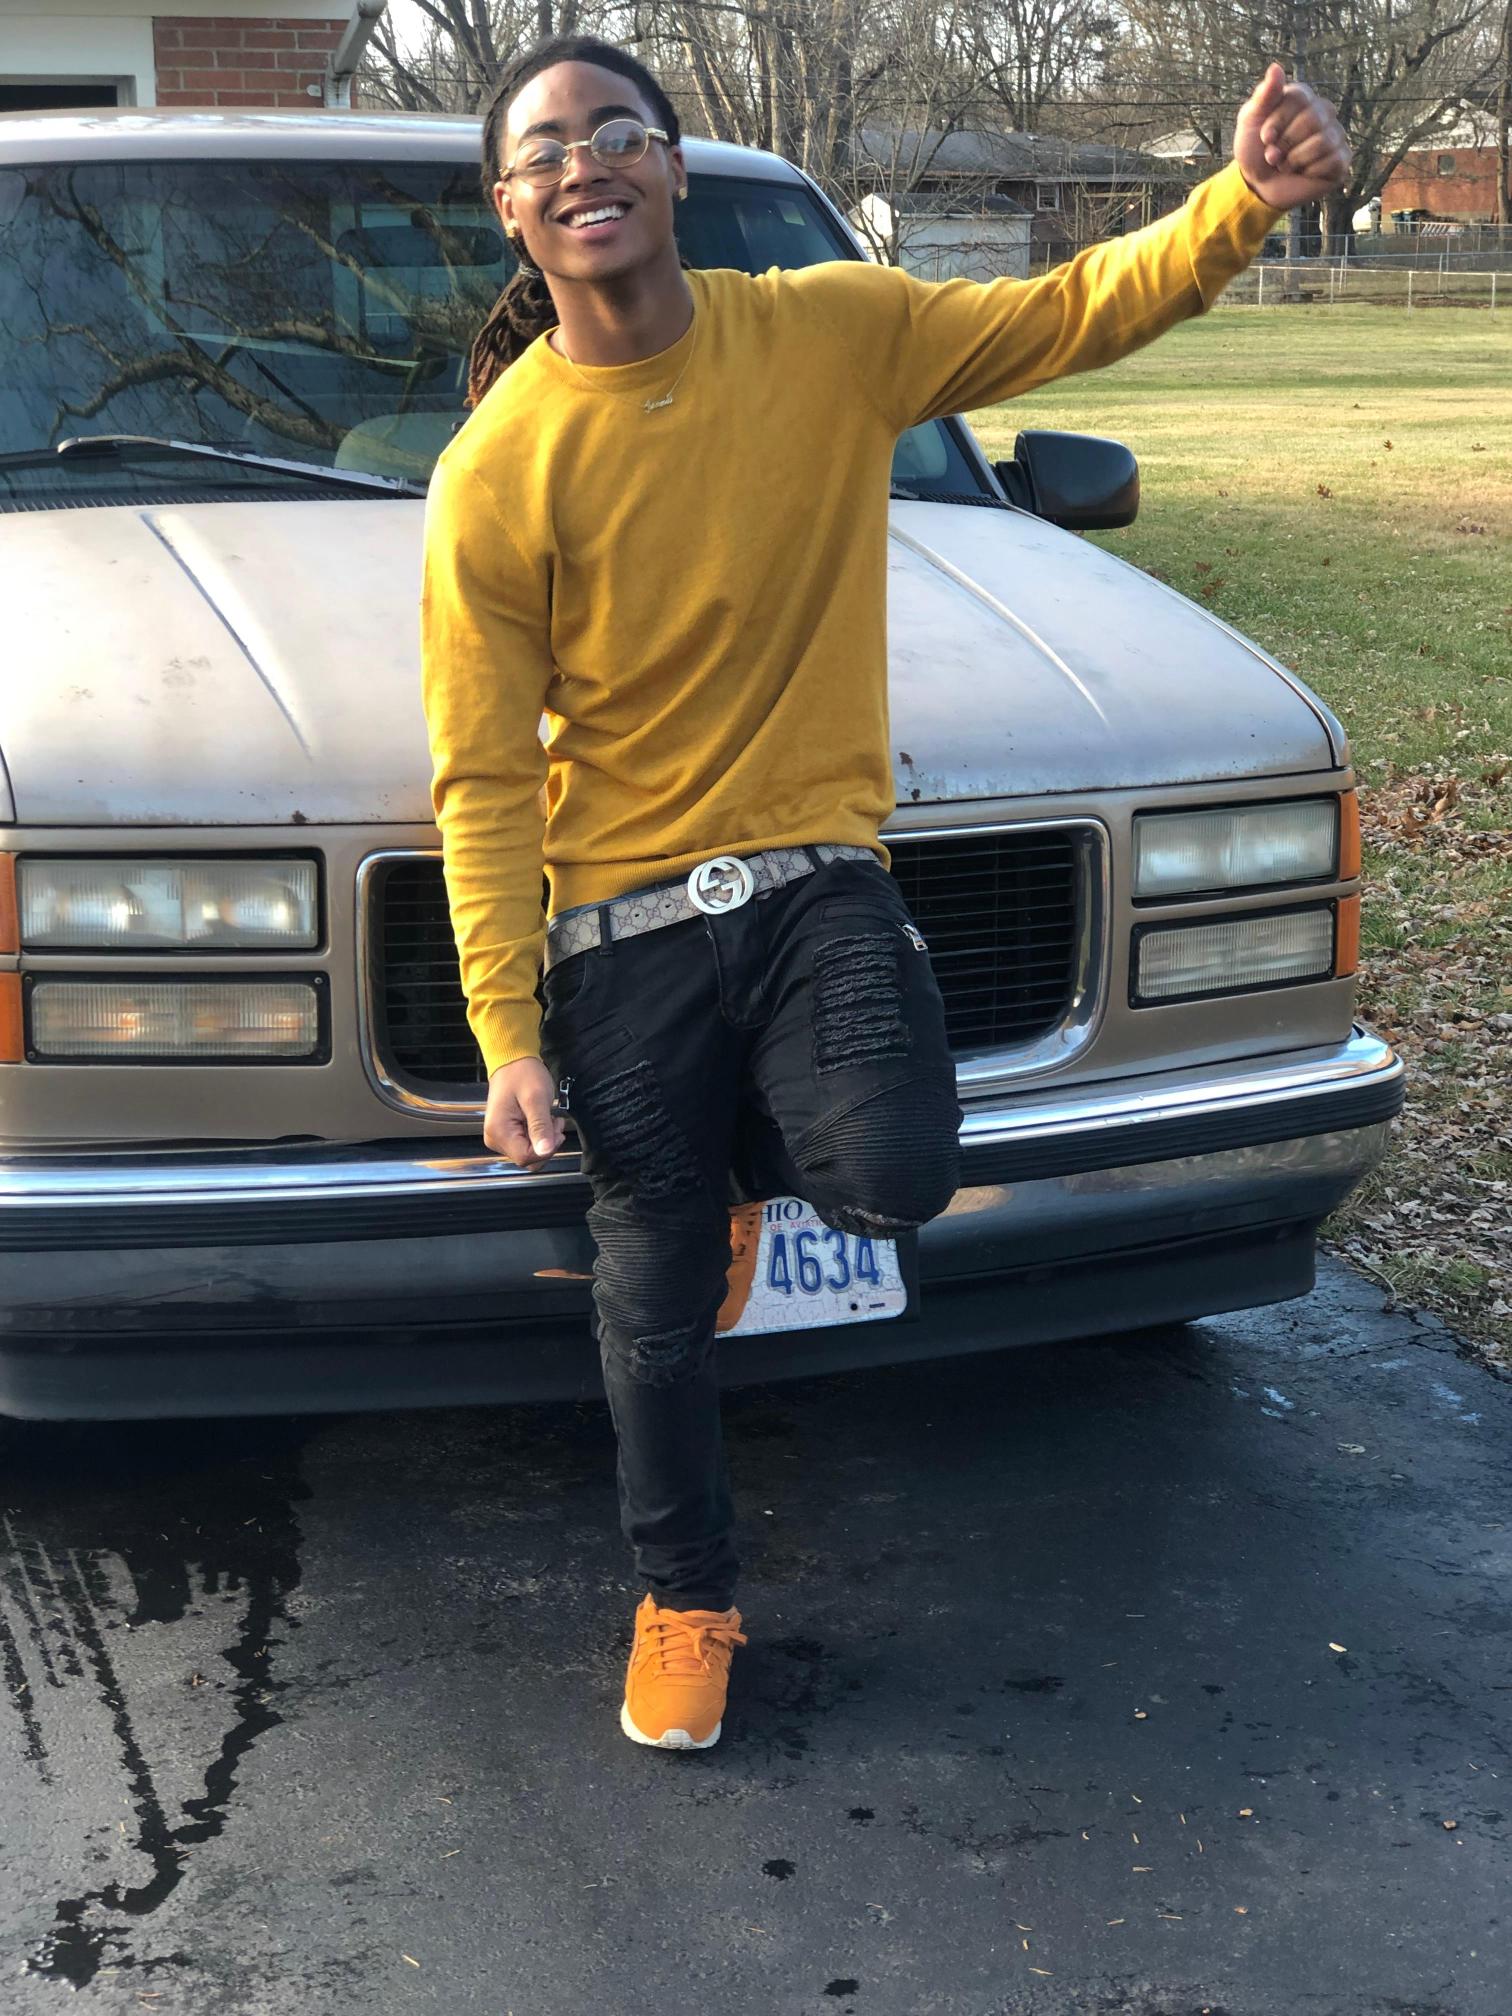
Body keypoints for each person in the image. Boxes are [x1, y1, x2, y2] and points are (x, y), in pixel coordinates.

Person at [419, 36, 1350, 1751]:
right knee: (648, 1303)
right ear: (510, 210)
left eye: (616, 131)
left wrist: (1240, 202)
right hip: (622, 934)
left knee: (898, 1170)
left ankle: (748, 1172)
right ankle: (686, 1602)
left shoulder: (826, 333)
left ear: (671, 167)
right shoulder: (496, 468)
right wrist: (506, 1030)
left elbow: (1069, 310)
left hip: (813, 884)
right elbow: (480, 774)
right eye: (544, 151)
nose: (583, 166)